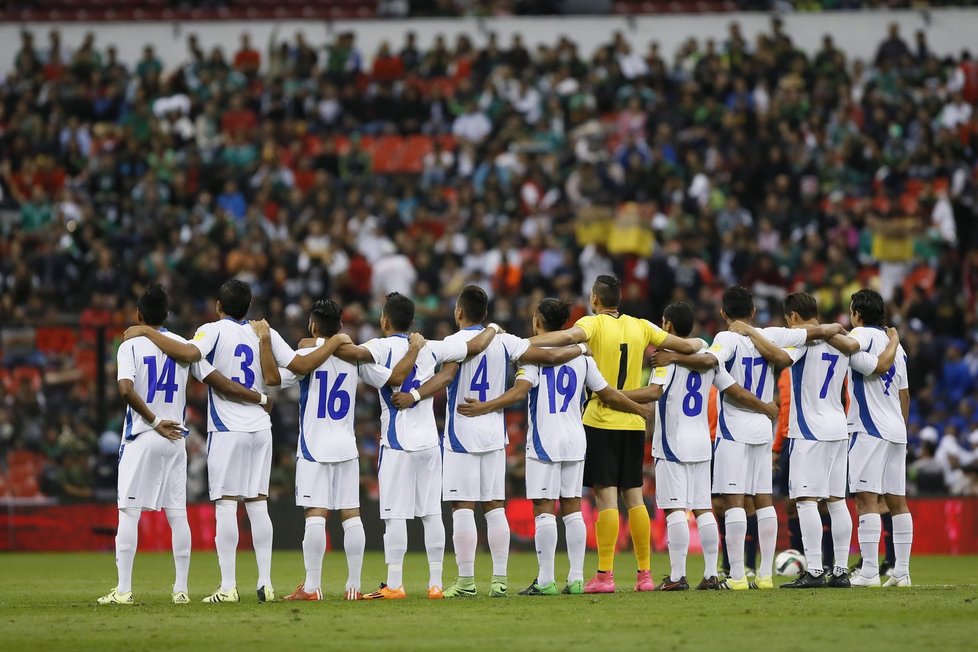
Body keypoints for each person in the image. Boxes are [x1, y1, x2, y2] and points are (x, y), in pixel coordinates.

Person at [123, 280, 342, 603]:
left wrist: (145, 332)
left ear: (218, 306)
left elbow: (187, 352)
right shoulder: (262, 332)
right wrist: (334, 343)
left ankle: (228, 587)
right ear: (248, 306)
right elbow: (298, 365)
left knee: (226, 504)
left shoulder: (212, 331)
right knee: (257, 503)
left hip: (228, 428)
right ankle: (265, 582)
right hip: (260, 429)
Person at [393, 285, 593, 598]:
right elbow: (550, 356)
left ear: (459, 312)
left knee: (463, 507)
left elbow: (445, 378)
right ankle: (499, 581)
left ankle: (467, 582)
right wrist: (580, 349)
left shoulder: (454, 343)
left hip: (463, 432)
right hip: (495, 435)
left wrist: (415, 395)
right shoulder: (507, 341)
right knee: (494, 507)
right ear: (486, 313)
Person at [456, 297, 652, 596]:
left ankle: (546, 579)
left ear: (538, 321)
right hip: (576, 439)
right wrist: (638, 410)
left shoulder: (532, 357)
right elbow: (609, 394)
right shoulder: (584, 358)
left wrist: (486, 406)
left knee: (544, 510)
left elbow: (519, 392)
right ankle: (575, 579)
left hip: (545, 441)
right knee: (573, 508)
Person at [654, 286, 846, 589]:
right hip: (763, 430)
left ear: (723, 313)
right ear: (753, 312)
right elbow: (818, 331)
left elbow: (708, 363)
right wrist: (836, 331)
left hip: (734, 431)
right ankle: (766, 576)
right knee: (763, 501)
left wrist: (672, 357)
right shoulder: (773, 334)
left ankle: (739, 576)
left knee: (734, 503)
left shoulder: (726, 338)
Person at [528, 274, 705, 593]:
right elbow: (693, 344)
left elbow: (565, 337)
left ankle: (604, 576)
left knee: (606, 497)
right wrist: (679, 352)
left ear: (595, 299)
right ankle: (645, 575)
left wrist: (521, 344)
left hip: (601, 418)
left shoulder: (592, 324)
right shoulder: (643, 326)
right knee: (635, 498)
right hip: (634, 425)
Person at [98, 285, 266, 605]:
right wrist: (258, 398)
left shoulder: (130, 344)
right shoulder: (184, 345)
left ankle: (123, 590)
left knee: (129, 513)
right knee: (178, 514)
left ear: (138, 314)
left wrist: (152, 420)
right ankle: (181, 590)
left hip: (145, 434)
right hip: (177, 437)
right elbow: (213, 377)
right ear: (168, 314)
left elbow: (124, 389)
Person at [328, 292, 499, 600]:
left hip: (397, 443)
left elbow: (347, 353)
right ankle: (435, 584)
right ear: (412, 321)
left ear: (384, 320)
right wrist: (492, 328)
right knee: (432, 513)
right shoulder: (432, 346)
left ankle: (395, 583)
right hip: (430, 444)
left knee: (395, 514)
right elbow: (474, 346)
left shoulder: (377, 347)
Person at [251, 299, 420, 601]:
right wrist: (413, 350)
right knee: (351, 515)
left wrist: (266, 341)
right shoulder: (354, 358)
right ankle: (353, 586)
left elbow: (272, 379)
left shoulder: (305, 355)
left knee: (316, 514)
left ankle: (313, 587)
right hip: (346, 446)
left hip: (315, 447)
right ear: (341, 326)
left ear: (313, 325)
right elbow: (395, 379)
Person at [623, 302, 778, 591]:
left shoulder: (664, 358)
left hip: (673, 443)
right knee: (703, 508)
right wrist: (764, 407)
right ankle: (710, 574)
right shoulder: (707, 356)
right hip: (702, 443)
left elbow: (653, 392)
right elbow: (732, 389)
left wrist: (613, 394)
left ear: (666, 326)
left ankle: (677, 576)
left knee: (675, 509)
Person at [759, 293, 895, 588]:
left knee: (806, 501)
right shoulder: (842, 343)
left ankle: (815, 571)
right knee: (836, 501)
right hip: (837, 426)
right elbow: (876, 367)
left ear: (793, 316)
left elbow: (780, 357)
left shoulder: (799, 340)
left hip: (809, 429)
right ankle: (841, 570)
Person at [846, 289, 914, 588]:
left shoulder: (860, 335)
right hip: (896, 428)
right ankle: (902, 572)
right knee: (898, 502)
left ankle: (870, 570)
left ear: (858, 314)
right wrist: (900, 426)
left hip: (869, 428)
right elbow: (905, 394)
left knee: (866, 499)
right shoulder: (895, 346)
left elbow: (853, 348)